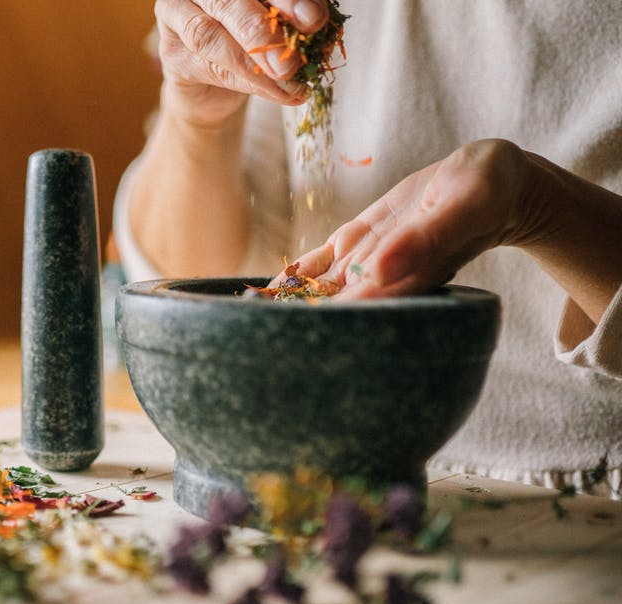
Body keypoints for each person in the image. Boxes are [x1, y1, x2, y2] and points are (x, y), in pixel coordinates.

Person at [114, 0, 622, 497]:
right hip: (314, 468)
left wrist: (540, 207)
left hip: (583, 489)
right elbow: (195, 281)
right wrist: (198, 118)